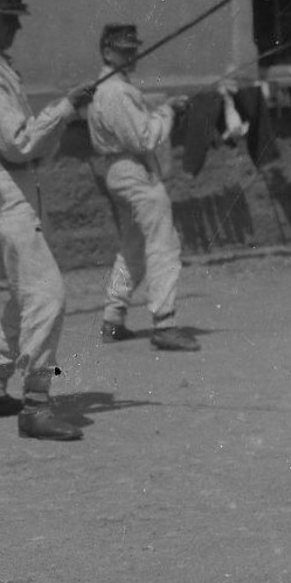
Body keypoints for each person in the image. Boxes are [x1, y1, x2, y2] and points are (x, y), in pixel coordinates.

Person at [0, 0, 88, 441]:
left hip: (11, 184)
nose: (14, 30)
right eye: (8, 21)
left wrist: (65, 111)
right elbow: (18, 141)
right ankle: (36, 403)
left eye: (16, 22)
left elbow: (28, 146)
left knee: (24, 292)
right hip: (1, 186)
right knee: (48, 294)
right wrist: (64, 108)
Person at [82, 23, 199, 352]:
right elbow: (143, 137)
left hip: (123, 170)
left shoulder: (112, 87)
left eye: (133, 49)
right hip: (133, 170)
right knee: (164, 243)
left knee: (133, 245)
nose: (131, 55)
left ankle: (113, 318)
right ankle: (165, 323)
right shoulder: (115, 91)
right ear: (107, 51)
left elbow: (138, 127)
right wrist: (168, 112)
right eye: (123, 50)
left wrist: (164, 110)